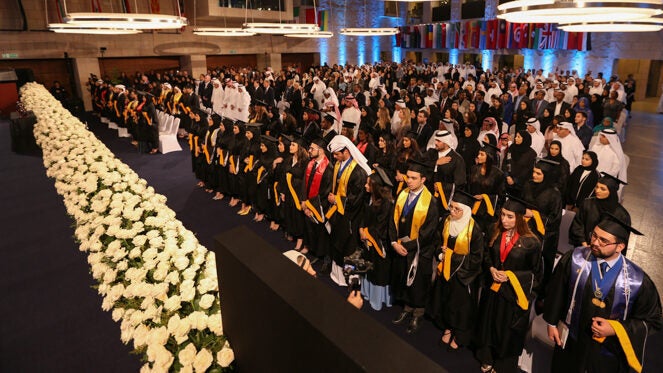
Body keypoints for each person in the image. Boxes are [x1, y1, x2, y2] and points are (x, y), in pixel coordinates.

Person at [544, 214, 662, 373]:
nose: (594, 242)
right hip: (572, 343)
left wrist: (616, 329)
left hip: (608, 353)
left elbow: (653, 321)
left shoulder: (637, 281)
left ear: (620, 246)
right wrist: (551, 323)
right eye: (594, 235)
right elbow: (557, 290)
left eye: (603, 241)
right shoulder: (575, 259)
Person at [476, 195, 542, 373]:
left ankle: (502, 364)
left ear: (519, 218)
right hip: (493, 289)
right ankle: (487, 356)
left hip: (513, 295)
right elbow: (487, 254)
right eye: (503, 215)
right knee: (489, 324)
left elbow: (536, 274)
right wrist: (490, 269)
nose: (504, 220)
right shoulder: (494, 231)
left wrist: (512, 276)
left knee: (505, 330)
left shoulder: (532, 242)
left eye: (510, 216)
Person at [428, 190, 484, 350]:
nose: (452, 211)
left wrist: (451, 257)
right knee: (446, 301)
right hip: (444, 269)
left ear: (466, 210)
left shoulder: (474, 230)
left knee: (460, 307)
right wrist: (439, 254)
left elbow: (476, 258)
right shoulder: (446, 221)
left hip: (463, 275)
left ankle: (459, 335)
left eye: (456, 209)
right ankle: (448, 327)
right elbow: (437, 241)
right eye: (451, 207)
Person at [390, 159, 440, 334]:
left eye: (413, 178)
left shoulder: (431, 203)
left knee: (418, 283)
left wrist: (407, 246)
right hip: (401, 246)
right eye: (408, 177)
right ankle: (407, 308)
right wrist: (394, 242)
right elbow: (392, 219)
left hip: (420, 251)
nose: (408, 180)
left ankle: (417, 313)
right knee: (404, 279)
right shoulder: (402, 194)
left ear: (423, 180)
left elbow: (428, 233)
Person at [326, 135, 371, 286]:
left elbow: (356, 200)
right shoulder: (339, 165)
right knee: (336, 243)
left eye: (337, 154)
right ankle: (337, 274)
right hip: (338, 215)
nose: (335, 157)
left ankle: (350, 279)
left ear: (346, 151)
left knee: (348, 247)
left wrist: (336, 200)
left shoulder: (358, 172)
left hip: (351, 217)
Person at [358, 167, 395, 311]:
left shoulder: (386, 203)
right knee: (369, 267)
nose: (365, 186)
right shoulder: (369, 198)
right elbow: (364, 216)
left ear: (376, 187)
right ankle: (367, 292)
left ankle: (378, 299)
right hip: (368, 240)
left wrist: (366, 233)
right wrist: (361, 229)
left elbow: (381, 227)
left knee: (379, 271)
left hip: (380, 244)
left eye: (368, 184)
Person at [569, 173, 631, 250]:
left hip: (605, 251)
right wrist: (584, 244)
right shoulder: (587, 203)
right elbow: (578, 224)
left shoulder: (621, 215)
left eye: (603, 189)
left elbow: (620, 239)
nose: (597, 191)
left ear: (611, 191)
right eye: (597, 187)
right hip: (583, 247)